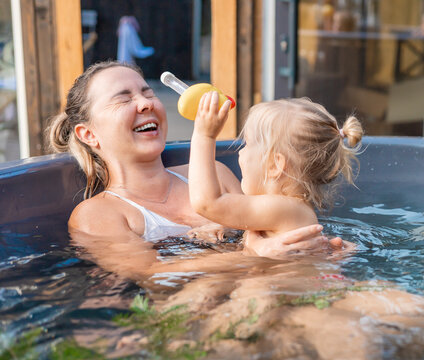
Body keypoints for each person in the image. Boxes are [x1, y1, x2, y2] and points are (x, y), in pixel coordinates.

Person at [47, 61, 341, 281]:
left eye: (148, 93)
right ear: (88, 134)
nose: (145, 103)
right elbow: (153, 276)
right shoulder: (97, 215)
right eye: (124, 98)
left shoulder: (214, 173)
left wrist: (322, 248)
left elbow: (266, 227)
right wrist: (252, 255)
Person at [189, 93, 363, 244]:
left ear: (274, 165)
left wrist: (204, 135)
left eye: (247, 144)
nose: (240, 152)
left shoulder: (286, 208)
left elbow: (207, 203)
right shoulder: (290, 209)